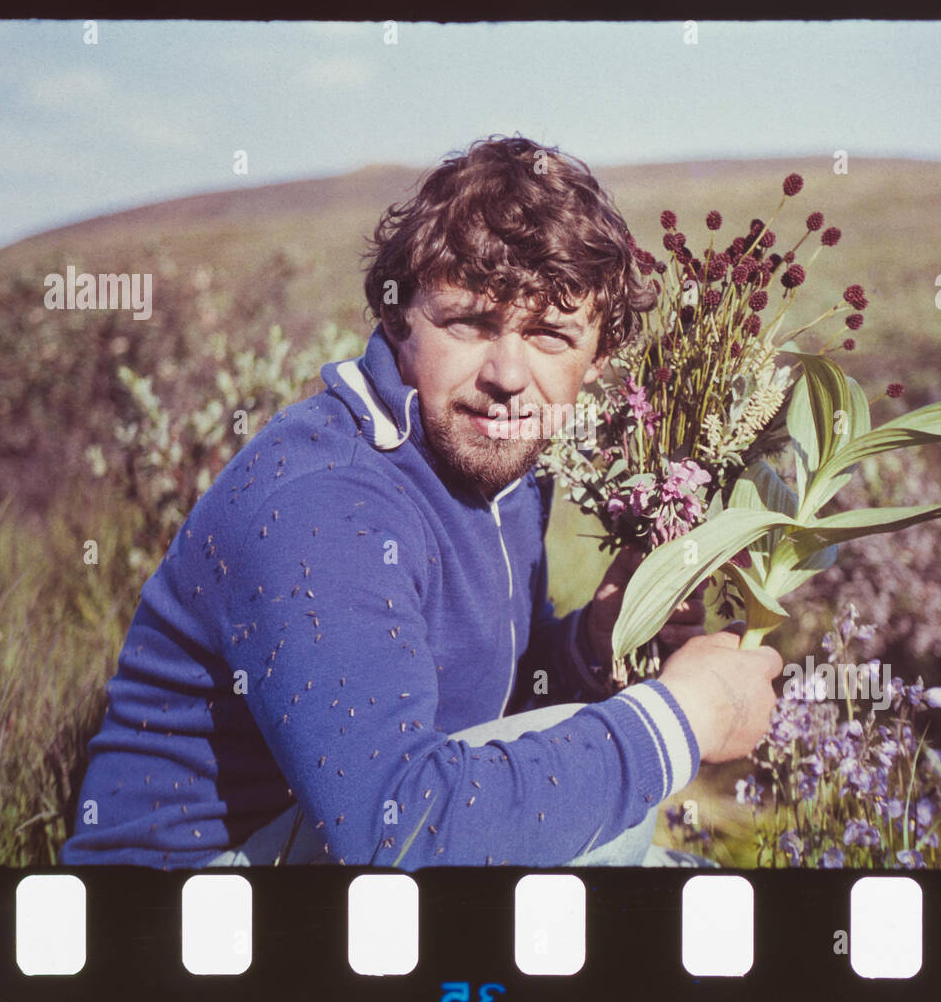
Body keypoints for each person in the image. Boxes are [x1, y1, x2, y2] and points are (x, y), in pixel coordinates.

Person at [60, 134, 781, 871]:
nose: (507, 372)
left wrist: (590, 647)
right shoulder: (325, 499)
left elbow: (477, 713)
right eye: (469, 322)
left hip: (325, 847)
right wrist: (685, 717)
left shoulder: (501, 467)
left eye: (550, 334)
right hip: (180, 909)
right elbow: (395, 829)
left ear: (598, 358)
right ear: (399, 316)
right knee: (617, 833)